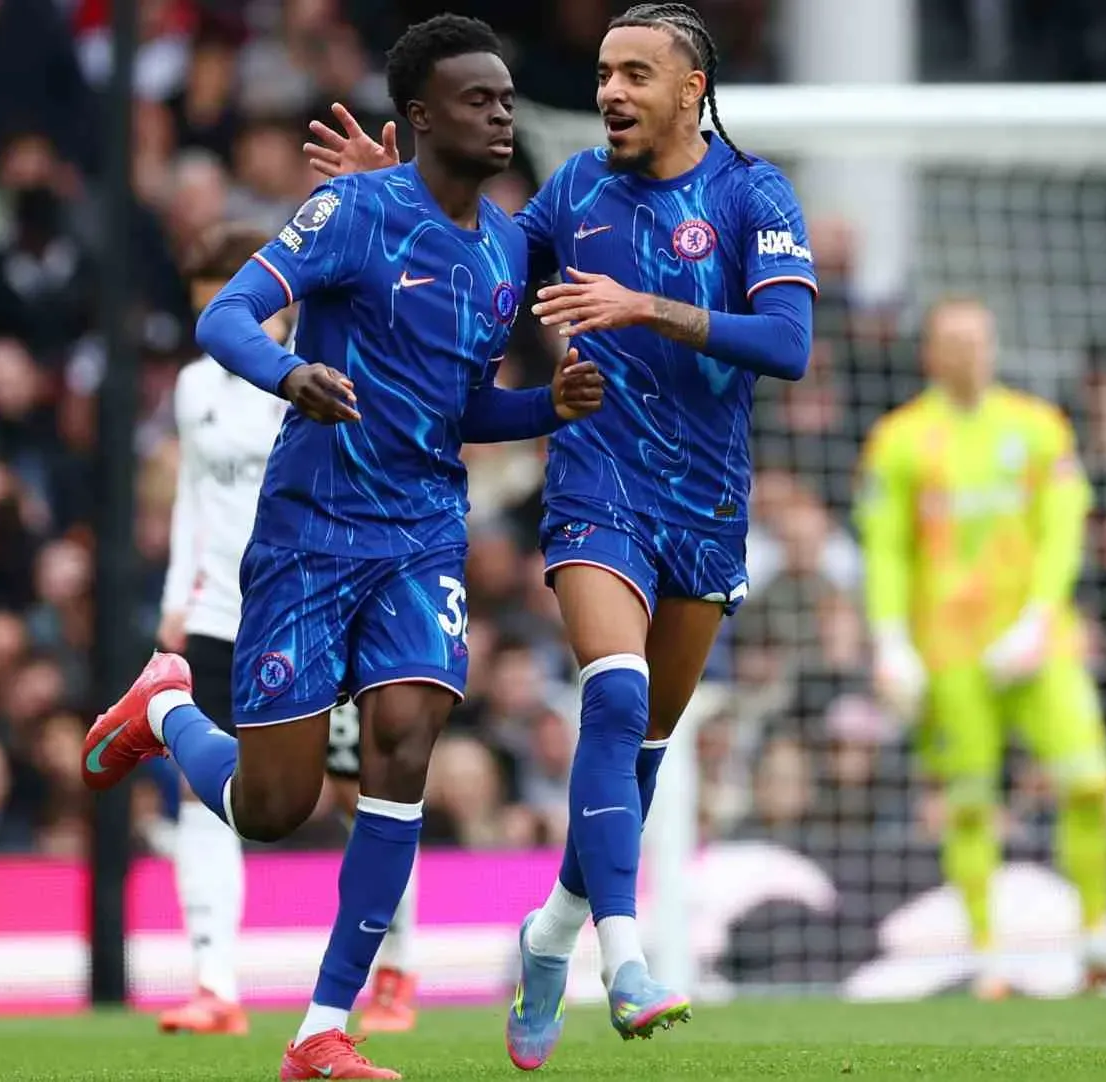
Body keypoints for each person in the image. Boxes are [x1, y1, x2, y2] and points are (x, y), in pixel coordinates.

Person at [81, 15, 604, 1080]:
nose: (502, 113)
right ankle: (167, 708)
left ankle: (325, 1023)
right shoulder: (354, 211)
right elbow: (226, 316)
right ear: (418, 116)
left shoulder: (504, 247)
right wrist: (287, 376)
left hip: (420, 533)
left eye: (507, 99)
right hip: (311, 531)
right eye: (478, 99)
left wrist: (545, 404)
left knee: (405, 741)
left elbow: (460, 408)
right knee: (275, 807)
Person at [303, 2, 817, 1065]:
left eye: (636, 74)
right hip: (598, 481)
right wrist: (389, 198)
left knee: (642, 749)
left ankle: (550, 929)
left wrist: (649, 307)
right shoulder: (574, 190)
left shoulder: (750, 194)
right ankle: (624, 958)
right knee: (614, 691)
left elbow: (790, 342)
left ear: (693, 89)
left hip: (709, 508)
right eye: (603, 73)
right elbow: (480, 256)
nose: (611, 93)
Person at [150, 222, 422, 1037]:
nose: (225, 333)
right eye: (207, 314)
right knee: (204, 794)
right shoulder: (194, 388)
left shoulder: (317, 376)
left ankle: (397, 971)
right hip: (217, 613)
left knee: (356, 788)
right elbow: (191, 500)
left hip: (313, 603)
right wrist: (175, 596)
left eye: (232, 309)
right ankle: (213, 981)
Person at [855, 296, 1106, 1000]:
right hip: (950, 650)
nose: (967, 353)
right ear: (930, 353)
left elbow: (1063, 529)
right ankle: (987, 958)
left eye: (978, 339)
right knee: (968, 803)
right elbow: (886, 550)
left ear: (993, 345)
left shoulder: (1038, 427)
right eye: (952, 340)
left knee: (1089, 780)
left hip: (1038, 644)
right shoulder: (899, 440)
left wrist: (1038, 616)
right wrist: (890, 639)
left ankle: (1097, 940)